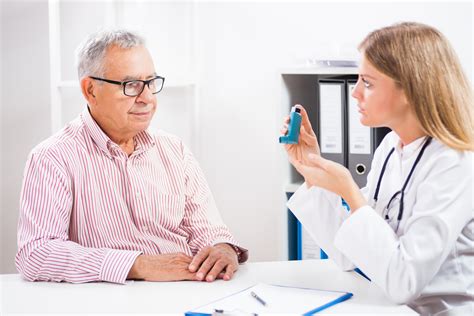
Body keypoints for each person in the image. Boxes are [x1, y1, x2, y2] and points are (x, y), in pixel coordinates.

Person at [16, 30, 248, 284]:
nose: (147, 98)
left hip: (189, 294)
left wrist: (223, 248)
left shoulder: (174, 150)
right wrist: (137, 264)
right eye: (132, 85)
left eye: (151, 82)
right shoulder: (53, 157)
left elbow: (209, 231)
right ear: (91, 89)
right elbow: (36, 253)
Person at [281, 22, 473, 315]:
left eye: (368, 83)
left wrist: (349, 191)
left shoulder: (456, 163)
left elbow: (404, 281)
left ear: (411, 89)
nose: (355, 93)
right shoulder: (391, 147)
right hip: (389, 306)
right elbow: (350, 256)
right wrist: (310, 171)